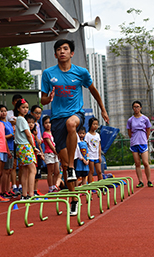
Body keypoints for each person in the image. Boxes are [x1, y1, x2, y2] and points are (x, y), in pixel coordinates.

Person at [41, 39, 109, 216]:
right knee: (63, 165)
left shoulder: (81, 72)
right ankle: (73, 199)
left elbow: (93, 90)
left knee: (71, 125)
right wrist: (48, 99)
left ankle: (72, 164)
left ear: (71, 53)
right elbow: (42, 99)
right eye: (59, 50)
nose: (62, 52)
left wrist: (102, 109)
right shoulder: (48, 74)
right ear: (55, 54)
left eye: (65, 49)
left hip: (75, 114)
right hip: (57, 119)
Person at [14, 99, 38, 200]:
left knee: (24, 171)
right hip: (25, 146)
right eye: (23, 107)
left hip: (20, 147)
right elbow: (28, 134)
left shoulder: (18, 119)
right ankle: (31, 194)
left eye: (27, 107)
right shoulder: (22, 119)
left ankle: (24, 194)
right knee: (33, 170)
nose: (25, 109)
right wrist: (33, 146)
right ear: (18, 108)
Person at [127, 101, 153, 188]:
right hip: (134, 143)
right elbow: (129, 131)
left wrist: (146, 138)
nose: (136, 108)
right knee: (137, 163)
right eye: (134, 107)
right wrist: (133, 138)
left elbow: (148, 129)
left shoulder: (145, 119)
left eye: (137, 107)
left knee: (145, 162)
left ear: (141, 107)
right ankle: (140, 181)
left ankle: (149, 180)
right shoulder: (130, 120)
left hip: (143, 142)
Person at [0, 104, 16, 198]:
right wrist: (12, 134)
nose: (3, 113)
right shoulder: (0, 123)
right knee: (5, 170)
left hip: (12, 147)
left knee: (9, 170)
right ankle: (3, 190)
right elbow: (2, 137)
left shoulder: (9, 123)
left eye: (5, 111)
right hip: (6, 148)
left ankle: (8, 189)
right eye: (1, 111)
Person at [42, 115, 60, 192]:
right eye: (46, 123)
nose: (48, 124)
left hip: (55, 154)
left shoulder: (52, 132)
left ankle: (54, 185)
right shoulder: (45, 134)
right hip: (49, 153)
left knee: (57, 171)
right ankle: (50, 187)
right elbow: (51, 145)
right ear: (43, 124)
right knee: (51, 171)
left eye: (49, 123)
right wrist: (57, 152)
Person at [30, 105, 45, 196]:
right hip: (33, 149)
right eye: (36, 113)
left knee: (38, 170)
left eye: (40, 113)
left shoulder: (38, 124)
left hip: (38, 148)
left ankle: (35, 190)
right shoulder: (31, 125)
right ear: (32, 113)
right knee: (33, 171)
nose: (38, 115)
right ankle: (31, 190)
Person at [86, 117, 103, 183]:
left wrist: (99, 156)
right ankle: (91, 187)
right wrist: (87, 157)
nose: (95, 126)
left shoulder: (97, 135)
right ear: (90, 125)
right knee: (91, 171)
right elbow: (86, 146)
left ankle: (101, 186)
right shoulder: (87, 135)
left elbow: (99, 145)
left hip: (96, 156)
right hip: (90, 156)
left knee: (99, 171)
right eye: (94, 124)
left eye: (97, 124)